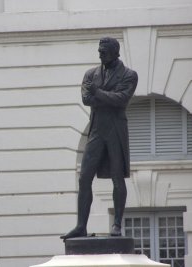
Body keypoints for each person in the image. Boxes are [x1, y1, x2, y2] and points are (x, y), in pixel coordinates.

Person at [61, 37, 138, 240]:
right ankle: (81, 226)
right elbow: (87, 99)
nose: (100, 54)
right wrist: (106, 95)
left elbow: (121, 100)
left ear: (115, 52)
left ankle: (117, 224)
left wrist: (98, 93)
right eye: (99, 51)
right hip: (96, 130)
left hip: (115, 131)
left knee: (117, 178)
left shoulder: (129, 75)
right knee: (85, 177)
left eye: (104, 51)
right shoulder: (91, 74)